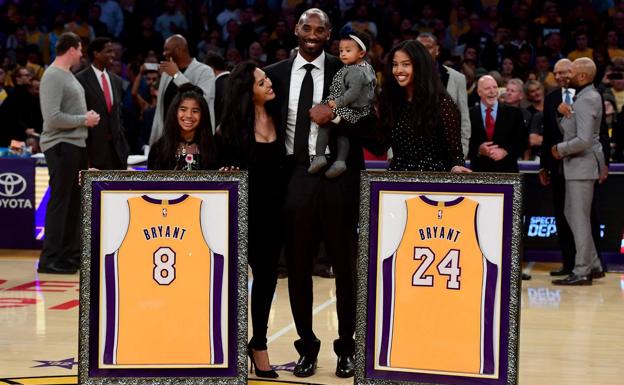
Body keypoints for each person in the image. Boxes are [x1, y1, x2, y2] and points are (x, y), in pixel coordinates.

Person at [264, 8, 380, 379]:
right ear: (295, 30)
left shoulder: (349, 68)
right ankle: (306, 347)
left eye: (320, 29)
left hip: (338, 176)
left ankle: (347, 347)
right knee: (297, 268)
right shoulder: (274, 75)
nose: (312, 34)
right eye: (306, 27)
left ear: (329, 34)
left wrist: (336, 113)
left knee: (345, 268)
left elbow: (369, 121)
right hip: (294, 176)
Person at [217, 61, 284, 379]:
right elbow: (217, 175)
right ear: (248, 92)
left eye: (267, 78)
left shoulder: (281, 119)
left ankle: (259, 344)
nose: (269, 83)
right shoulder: (229, 131)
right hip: (240, 217)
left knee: (267, 281)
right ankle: (227, 346)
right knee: (231, 284)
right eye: (261, 82)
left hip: (274, 216)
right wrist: (224, 172)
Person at [38, 32, 100, 274]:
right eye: (81, 49)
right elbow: (52, 118)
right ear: (72, 49)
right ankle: (50, 258)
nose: (82, 54)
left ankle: (67, 256)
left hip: (74, 146)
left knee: (73, 204)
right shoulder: (52, 75)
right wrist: (84, 119)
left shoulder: (66, 75)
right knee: (61, 203)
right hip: (61, 145)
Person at [551, 58, 605, 286]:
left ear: (582, 76)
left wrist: (559, 149)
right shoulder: (583, 96)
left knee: (579, 219)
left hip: (581, 165)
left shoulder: (587, 99)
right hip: (579, 166)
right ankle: (593, 264)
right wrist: (561, 115)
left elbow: (583, 140)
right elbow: (574, 129)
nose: (567, 74)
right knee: (573, 215)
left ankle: (582, 270)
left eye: (571, 71)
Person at [379, 40, 469, 173]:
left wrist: (456, 167)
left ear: (420, 66)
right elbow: (380, 144)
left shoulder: (442, 103)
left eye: (406, 64)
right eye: (395, 64)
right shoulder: (391, 101)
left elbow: (455, 153)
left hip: (434, 180)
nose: (398, 70)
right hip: (398, 180)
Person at [308, 30, 376, 178]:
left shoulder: (355, 71)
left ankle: (319, 156)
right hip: (352, 108)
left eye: (348, 50)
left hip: (349, 108)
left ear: (361, 53)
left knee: (325, 124)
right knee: (342, 133)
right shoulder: (363, 67)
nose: (343, 54)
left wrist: (336, 103)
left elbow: (352, 93)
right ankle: (340, 161)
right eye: (341, 50)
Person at [149, 34, 216, 145]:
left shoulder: (205, 71)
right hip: (167, 141)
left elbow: (202, 100)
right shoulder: (167, 73)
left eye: (166, 50)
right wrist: (154, 141)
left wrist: (176, 75)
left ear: (179, 50)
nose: (164, 53)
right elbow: (160, 111)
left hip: (195, 141)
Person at [76, 37, 129, 170]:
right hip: (93, 152)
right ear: (96, 54)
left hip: (117, 152)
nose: (113, 54)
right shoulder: (79, 80)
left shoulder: (117, 81)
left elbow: (117, 115)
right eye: (108, 51)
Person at [416, 32, 471, 158]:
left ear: (437, 50)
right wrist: (392, 152)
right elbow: (394, 117)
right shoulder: (402, 77)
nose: (424, 52)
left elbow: (464, 117)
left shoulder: (457, 78)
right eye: (420, 48)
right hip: (410, 153)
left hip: (448, 153)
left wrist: (463, 150)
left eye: (429, 47)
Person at [147, 84, 217, 170]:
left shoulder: (214, 148)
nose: (188, 115)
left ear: (203, 115)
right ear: (175, 112)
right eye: (183, 109)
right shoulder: (158, 149)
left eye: (195, 111)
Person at [468, 75, 527, 173]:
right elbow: (463, 143)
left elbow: (522, 142)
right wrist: (479, 150)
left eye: (495, 87)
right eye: (487, 88)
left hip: (507, 172)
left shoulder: (514, 113)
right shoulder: (469, 114)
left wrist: (506, 151)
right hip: (479, 173)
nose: (492, 91)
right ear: (479, 92)